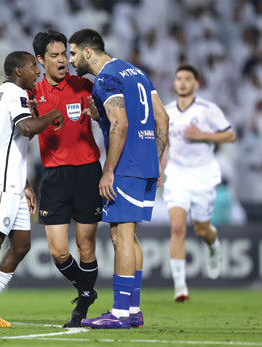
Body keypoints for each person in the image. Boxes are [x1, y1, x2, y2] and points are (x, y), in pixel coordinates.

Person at [68, 29, 169, 329]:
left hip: (125, 166)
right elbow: (162, 118)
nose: (71, 60)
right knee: (129, 235)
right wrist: (158, 160)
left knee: (119, 236)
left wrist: (108, 170)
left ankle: (120, 313)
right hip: (146, 163)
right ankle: (133, 310)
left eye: (73, 53)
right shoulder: (136, 71)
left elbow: (120, 124)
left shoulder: (106, 78)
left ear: (88, 52)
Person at [0, 51, 63, 330]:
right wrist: (54, 114)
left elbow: (11, 142)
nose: (37, 72)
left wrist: (25, 183)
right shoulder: (14, 93)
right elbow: (26, 128)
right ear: (18, 70)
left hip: (12, 182)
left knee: (21, 246)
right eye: (32, 67)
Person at [30, 29, 102, 328]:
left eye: (64, 54)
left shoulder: (84, 85)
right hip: (54, 176)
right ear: (40, 60)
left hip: (87, 172)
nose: (63, 60)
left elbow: (107, 118)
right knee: (58, 251)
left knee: (86, 247)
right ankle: (85, 290)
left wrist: (99, 115)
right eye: (55, 56)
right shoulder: (31, 94)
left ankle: (81, 308)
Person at [163, 64, 236, 302]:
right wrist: (160, 166)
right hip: (177, 174)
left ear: (196, 84)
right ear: (174, 84)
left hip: (203, 174)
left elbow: (230, 134)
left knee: (202, 229)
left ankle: (214, 245)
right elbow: (162, 142)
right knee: (177, 228)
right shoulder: (167, 111)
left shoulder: (208, 109)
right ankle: (180, 286)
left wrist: (204, 135)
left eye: (188, 79)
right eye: (179, 78)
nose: (183, 82)